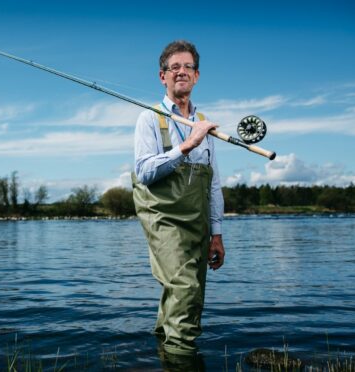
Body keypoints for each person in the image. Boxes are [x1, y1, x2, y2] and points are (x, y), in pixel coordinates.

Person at [132, 40, 225, 357]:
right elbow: (144, 171)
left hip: (198, 224)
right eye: (174, 67)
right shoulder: (149, 119)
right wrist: (186, 146)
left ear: (197, 76)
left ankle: (163, 356)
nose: (181, 72)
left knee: (189, 296)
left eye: (188, 67)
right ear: (163, 76)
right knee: (185, 289)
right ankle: (183, 361)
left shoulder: (206, 125)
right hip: (165, 221)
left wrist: (217, 234)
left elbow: (213, 184)